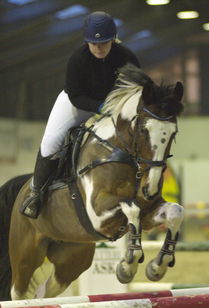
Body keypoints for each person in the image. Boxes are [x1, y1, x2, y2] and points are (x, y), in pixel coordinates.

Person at [20, 11, 140, 219]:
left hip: (114, 106)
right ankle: (36, 192)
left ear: (113, 38)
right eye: (94, 43)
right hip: (78, 104)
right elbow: (76, 96)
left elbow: (136, 87)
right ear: (87, 41)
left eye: (103, 42)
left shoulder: (127, 57)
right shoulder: (77, 60)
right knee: (50, 141)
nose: (99, 47)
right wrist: (101, 107)